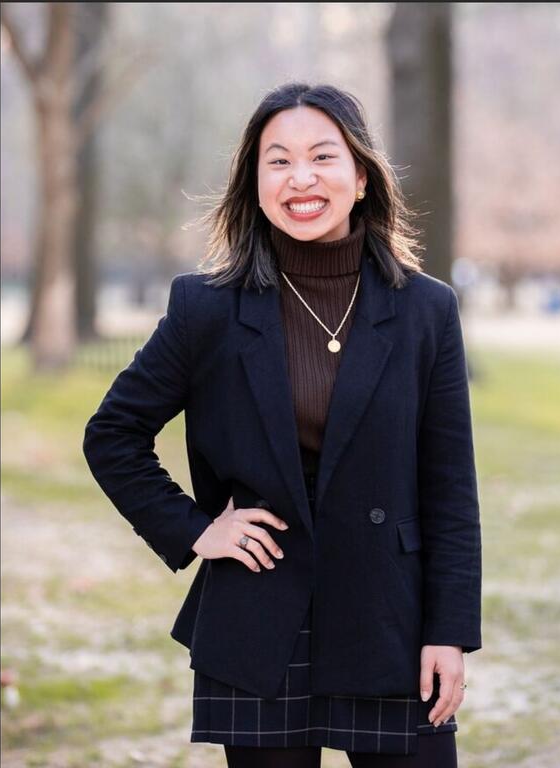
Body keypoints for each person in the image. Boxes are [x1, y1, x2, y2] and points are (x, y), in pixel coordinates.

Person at [83, 82, 481, 768]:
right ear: (255, 181)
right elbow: (112, 434)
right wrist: (197, 529)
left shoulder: (426, 311)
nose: (302, 179)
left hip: (390, 619)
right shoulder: (204, 309)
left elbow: (449, 491)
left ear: (361, 177)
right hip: (261, 616)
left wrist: (449, 631)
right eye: (278, 161)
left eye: (323, 157)